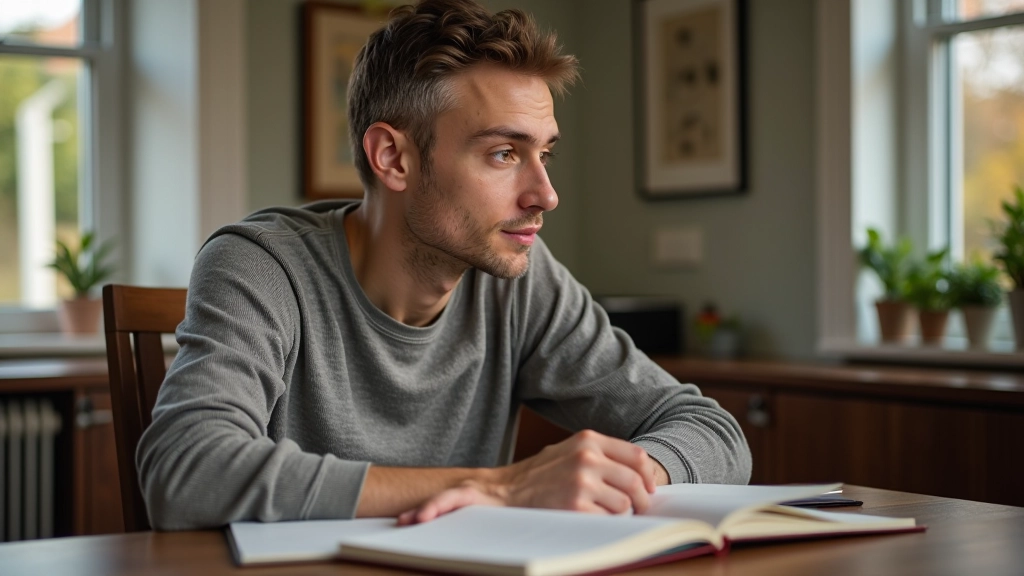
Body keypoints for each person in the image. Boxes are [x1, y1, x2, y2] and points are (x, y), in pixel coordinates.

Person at [137, 0, 751, 531]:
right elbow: (187, 470)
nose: (545, 194)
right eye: (504, 153)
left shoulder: (522, 279)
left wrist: (627, 473)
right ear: (393, 158)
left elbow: (711, 431)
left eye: (545, 154)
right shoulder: (262, 267)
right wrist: (502, 488)